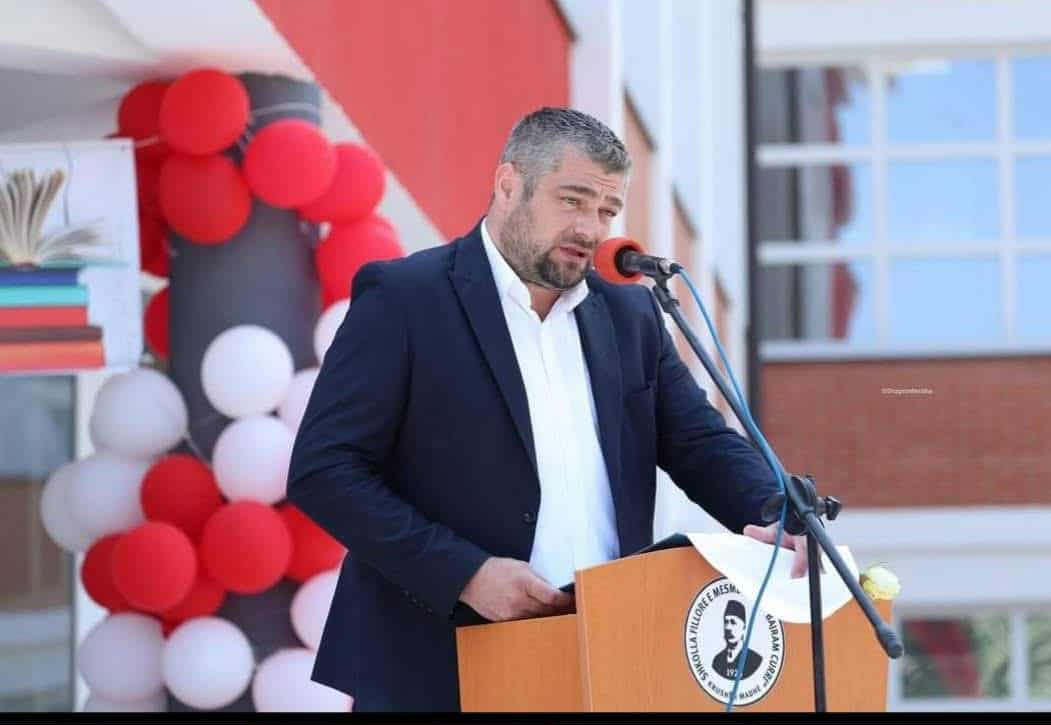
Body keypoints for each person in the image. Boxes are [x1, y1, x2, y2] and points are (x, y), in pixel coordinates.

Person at [287, 106, 808, 712]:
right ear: (509, 183)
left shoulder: (632, 315)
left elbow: (701, 443)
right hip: (435, 663)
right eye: (573, 200)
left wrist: (774, 512)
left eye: (607, 210)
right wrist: (466, 574)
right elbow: (326, 470)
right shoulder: (406, 298)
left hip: (599, 660)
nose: (590, 227)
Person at [712, 600, 763, 680]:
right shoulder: (717, 661)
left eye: (733, 622)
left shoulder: (755, 660)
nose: (728, 627)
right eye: (726, 622)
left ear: (744, 628)